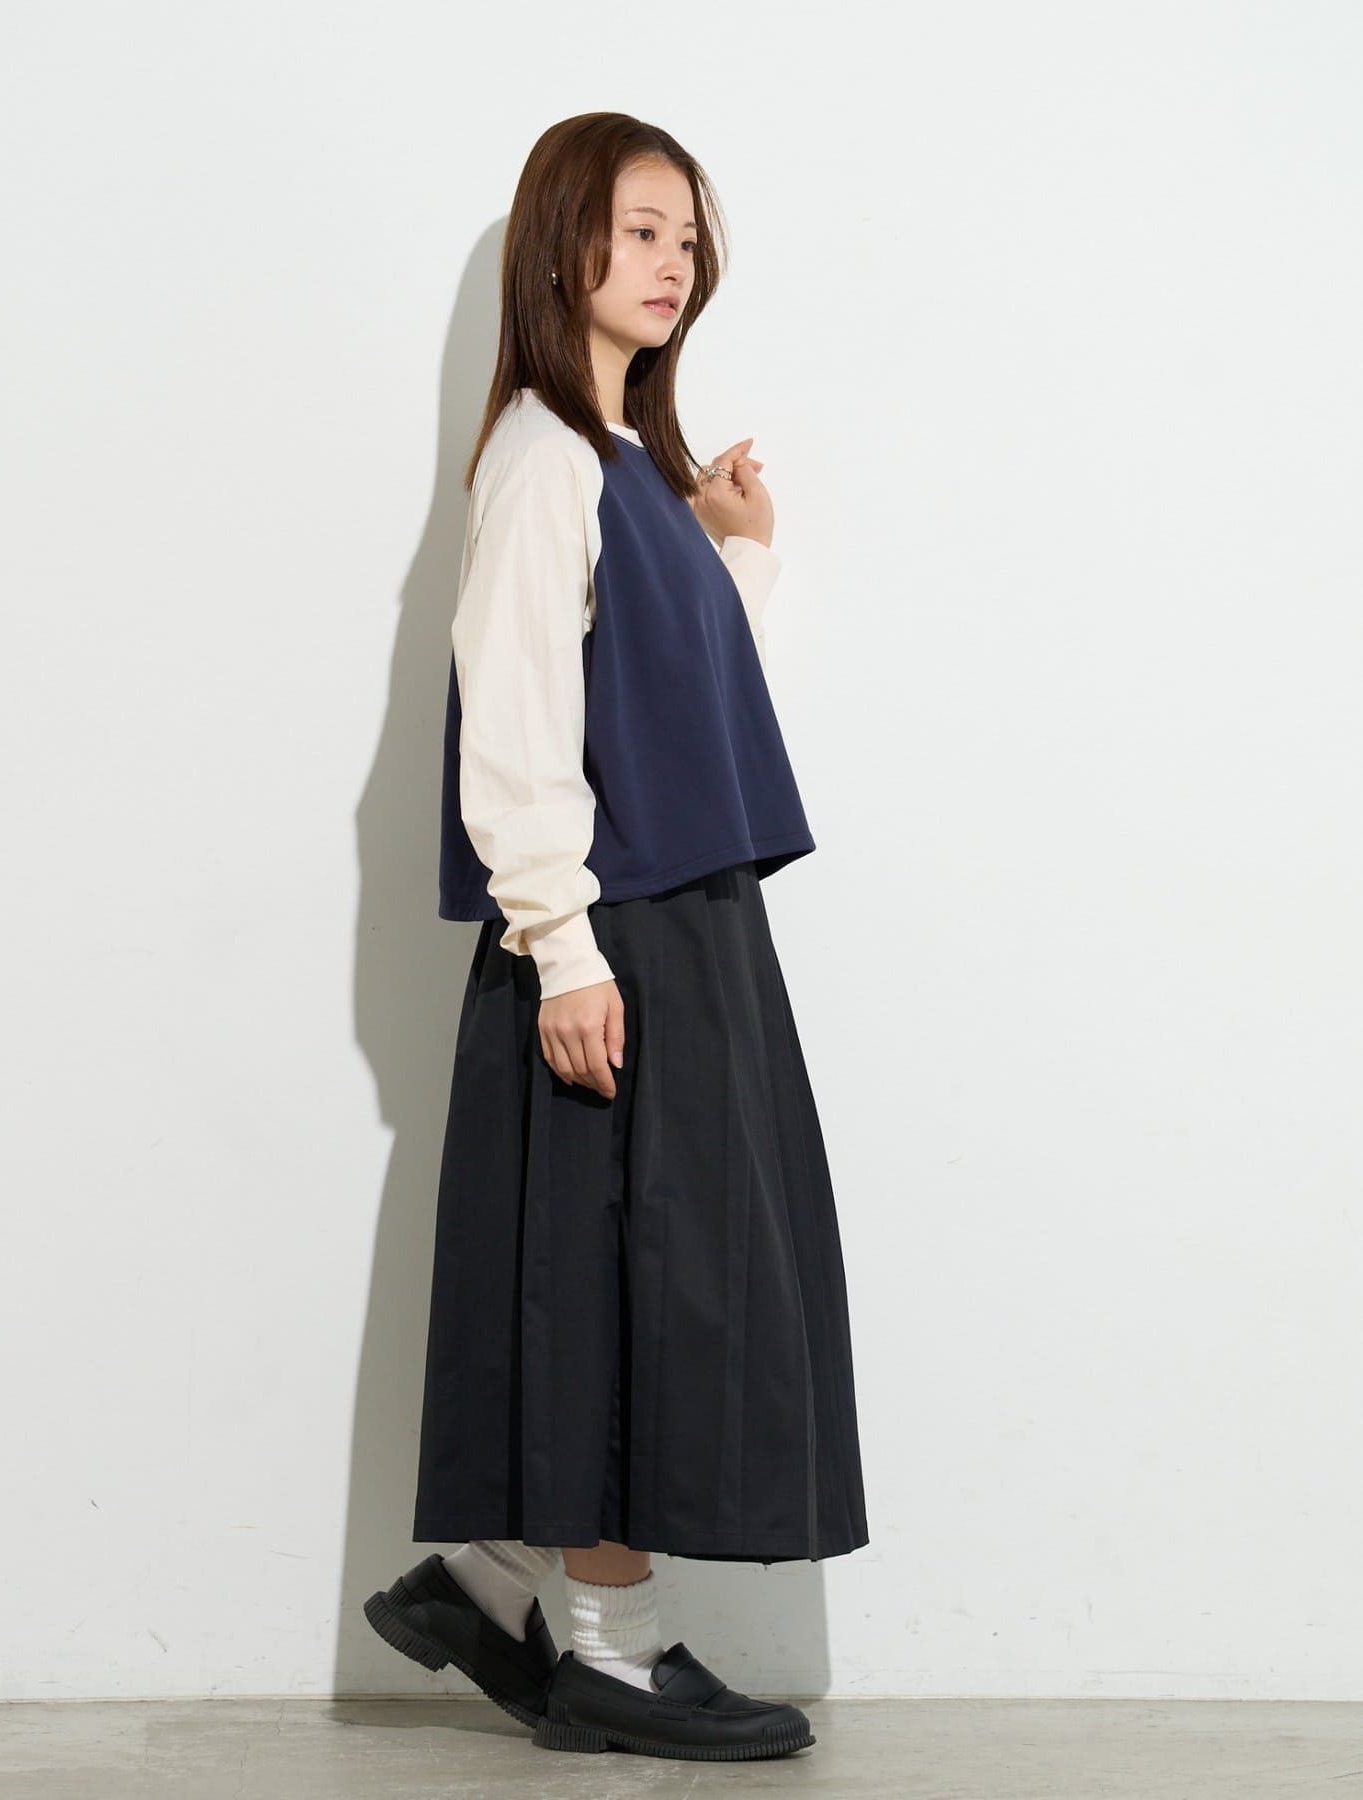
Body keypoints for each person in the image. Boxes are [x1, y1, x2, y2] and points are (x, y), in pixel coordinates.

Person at [366, 111, 868, 1763]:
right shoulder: (542, 461)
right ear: (564, 240)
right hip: (617, 933)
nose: (673, 263)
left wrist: (737, 555)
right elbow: (515, 725)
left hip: (682, 924)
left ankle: (510, 1599)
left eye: (687, 240)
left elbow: (684, 713)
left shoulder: (625, 466)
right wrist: (563, 950)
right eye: (643, 230)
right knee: (630, 1284)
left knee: (673, 1278)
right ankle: (603, 1650)